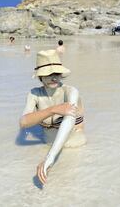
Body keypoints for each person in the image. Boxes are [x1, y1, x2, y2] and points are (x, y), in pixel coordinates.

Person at [20, 50, 86, 185]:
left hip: (73, 149)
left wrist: (49, 158)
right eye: (48, 74)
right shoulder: (34, 94)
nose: (53, 77)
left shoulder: (71, 92)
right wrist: (53, 110)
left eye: (56, 73)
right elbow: (23, 122)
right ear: (40, 77)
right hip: (47, 147)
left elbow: (69, 119)